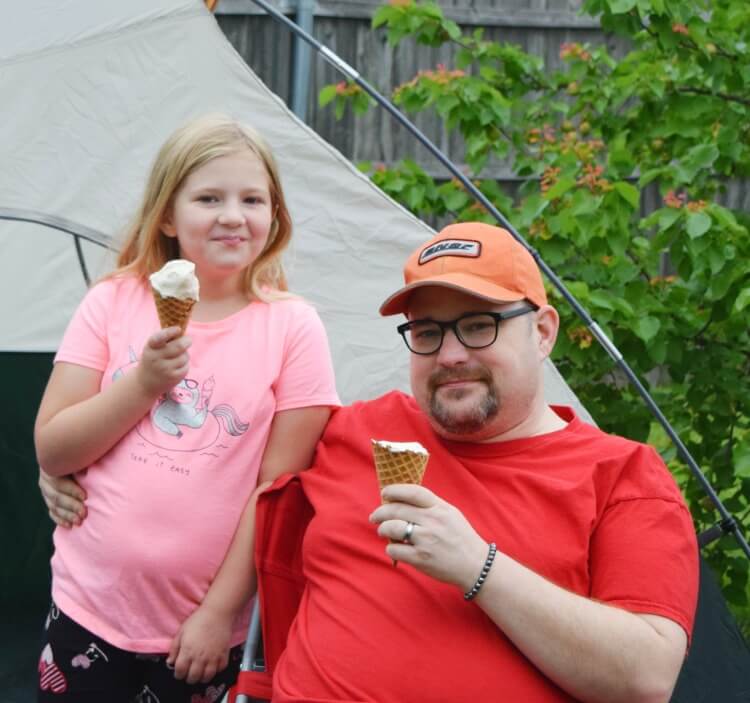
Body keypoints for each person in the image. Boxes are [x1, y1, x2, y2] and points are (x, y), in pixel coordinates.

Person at [45, 221, 699, 703]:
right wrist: (69, 468)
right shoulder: (355, 432)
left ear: (545, 330)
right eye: (427, 330)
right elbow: (218, 453)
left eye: (479, 324)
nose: (449, 353)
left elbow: (645, 676)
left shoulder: (622, 476)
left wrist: (480, 567)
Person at [33, 114, 339, 703]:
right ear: (168, 215)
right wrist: (143, 384)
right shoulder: (114, 301)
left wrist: (218, 614)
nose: (233, 214)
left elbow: (278, 489)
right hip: (86, 607)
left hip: (201, 634)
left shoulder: (292, 327)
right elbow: (53, 445)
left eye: (253, 198)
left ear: (275, 216)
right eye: (208, 197)